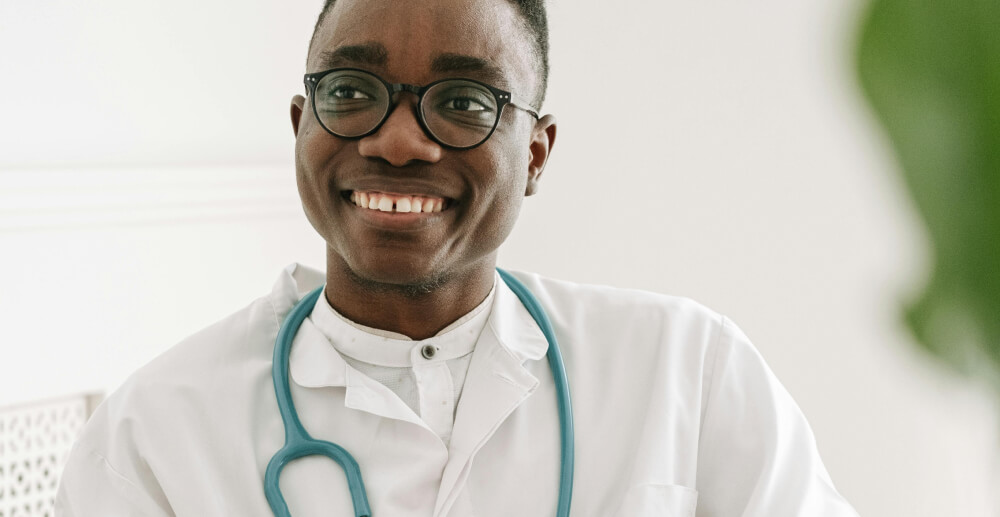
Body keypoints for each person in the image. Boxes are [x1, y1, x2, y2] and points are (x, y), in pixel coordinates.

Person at [56, 0, 861, 515]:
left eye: (464, 102)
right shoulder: (151, 435)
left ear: (538, 154)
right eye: (350, 91)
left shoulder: (688, 371)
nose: (397, 139)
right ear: (300, 123)